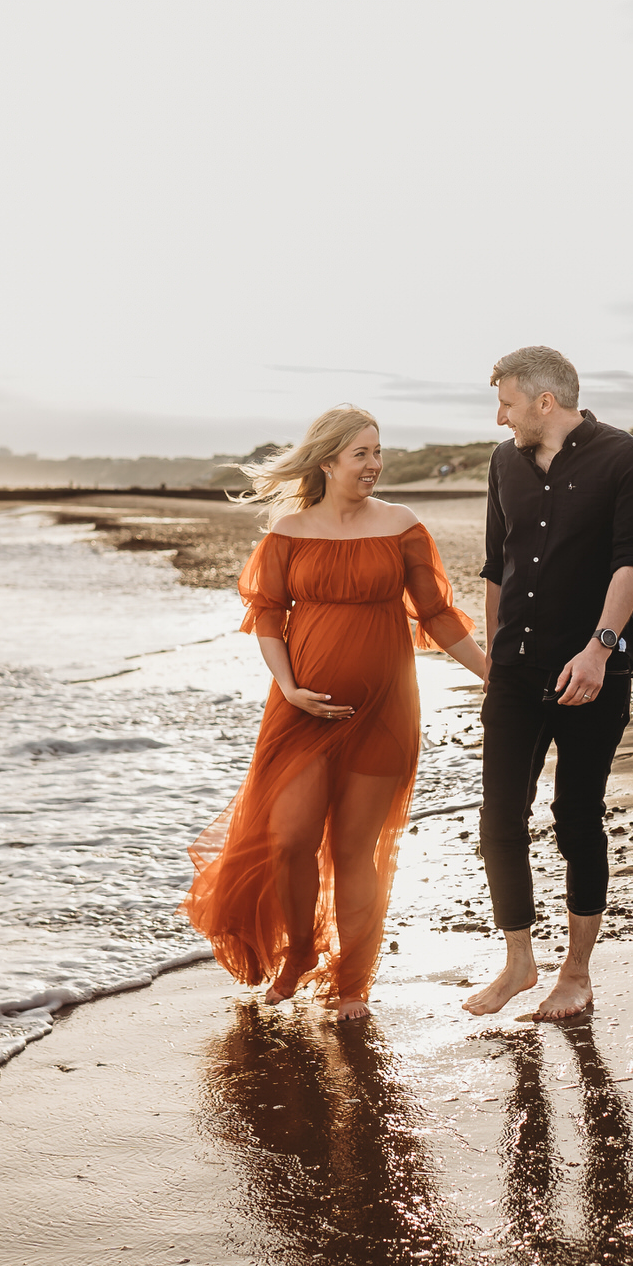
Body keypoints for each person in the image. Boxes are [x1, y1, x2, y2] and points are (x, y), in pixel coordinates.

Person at [183, 406, 491, 1018]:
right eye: (362, 455)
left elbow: (434, 616)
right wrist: (290, 686)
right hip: (299, 711)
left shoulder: (402, 526)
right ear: (328, 462)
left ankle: (352, 984)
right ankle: (299, 952)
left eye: (379, 453)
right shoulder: (288, 533)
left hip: (383, 710)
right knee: (288, 839)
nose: (375, 466)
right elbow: (267, 614)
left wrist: (491, 676)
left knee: (355, 849)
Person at [460, 347, 633, 1021]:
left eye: (508, 404)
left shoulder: (627, 458)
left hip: (592, 670)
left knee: (578, 815)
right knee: (497, 819)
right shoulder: (503, 464)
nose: (499, 418)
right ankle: (519, 962)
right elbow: (497, 566)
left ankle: (576, 974)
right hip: (516, 667)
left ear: (545, 402)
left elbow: (631, 562)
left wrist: (600, 649)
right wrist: (494, 662)